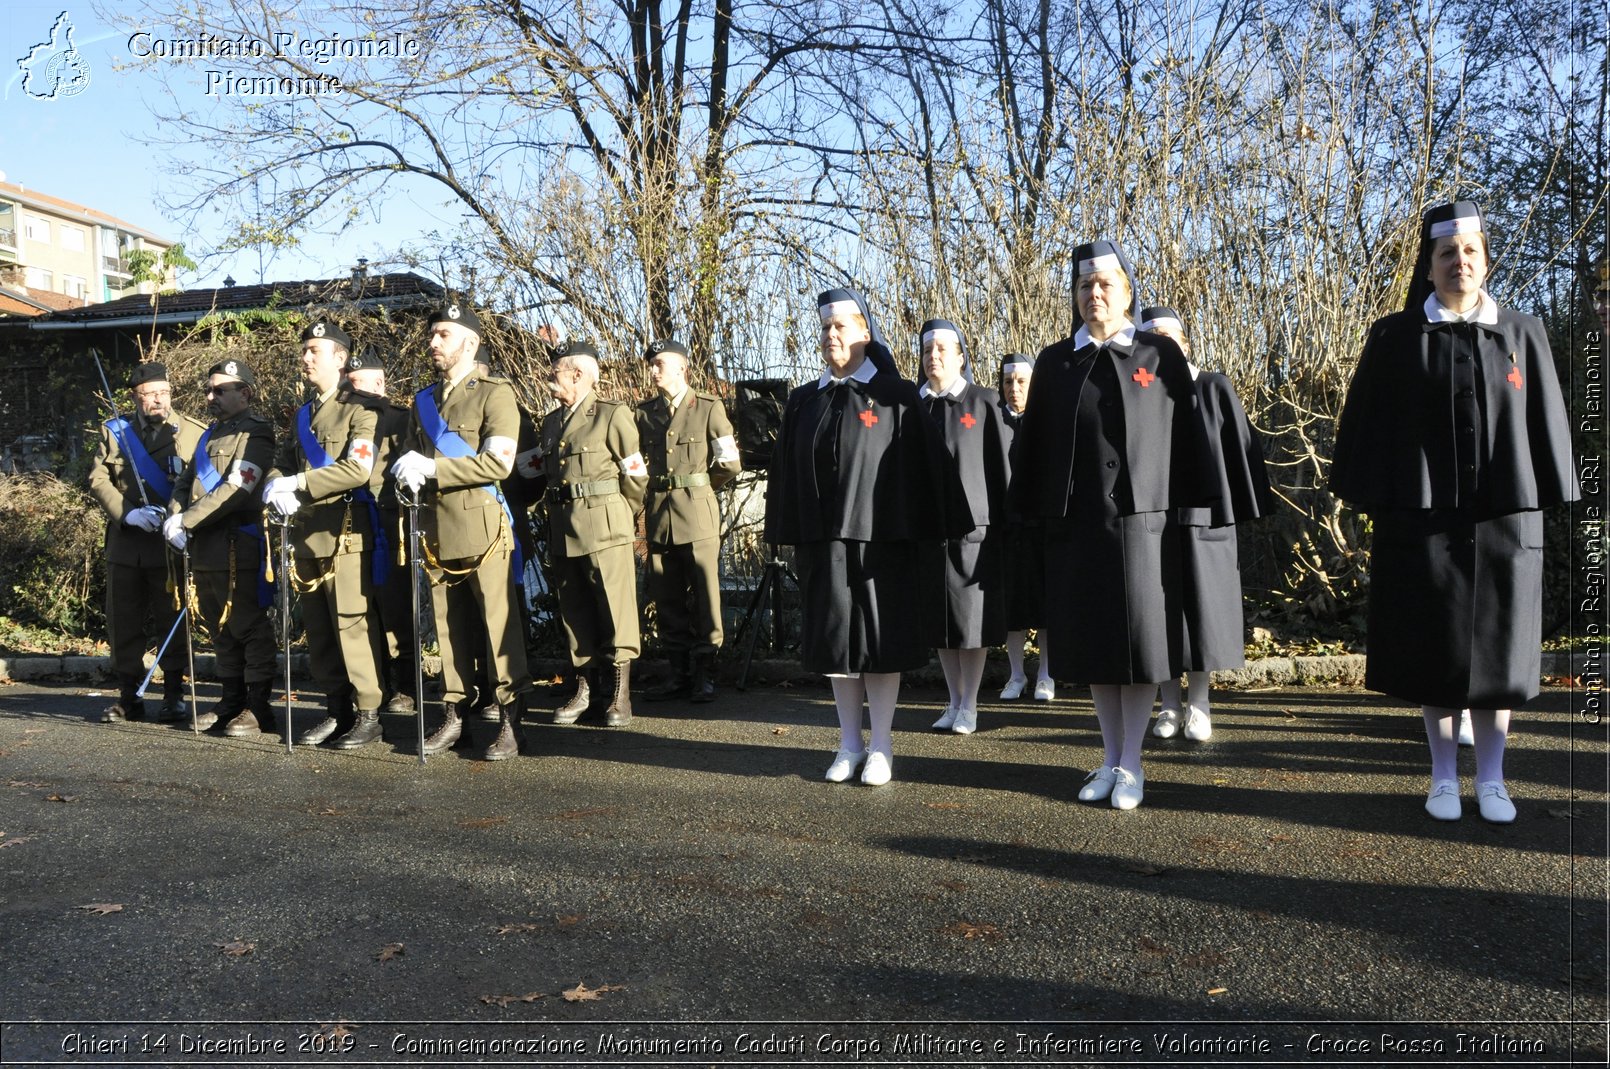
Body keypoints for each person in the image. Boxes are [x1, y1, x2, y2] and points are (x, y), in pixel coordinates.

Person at [1331, 201, 1578, 823]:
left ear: (1486, 260)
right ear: (1429, 263)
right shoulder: (1395, 336)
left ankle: (1492, 778)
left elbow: (1544, 424)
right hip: (1424, 523)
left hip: (1505, 523)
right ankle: (1443, 776)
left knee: (1499, 653)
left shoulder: (1522, 332)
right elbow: (1369, 425)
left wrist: (1549, 491)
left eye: (1470, 252)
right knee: (1435, 651)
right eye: (1447, 253)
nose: (1459, 263)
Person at [1010, 242, 1214, 809]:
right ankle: (1108, 756)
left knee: (1141, 645)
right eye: (1083, 287)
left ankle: (1133, 765)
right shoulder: (1054, 362)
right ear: (1073, 296)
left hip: (1145, 527)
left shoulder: (1158, 354)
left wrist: (1190, 507)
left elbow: (1187, 438)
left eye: (1105, 284)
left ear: (1127, 290)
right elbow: (1036, 446)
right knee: (1097, 644)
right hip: (1080, 527)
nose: (1094, 295)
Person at [764, 288, 967, 786]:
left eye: (841, 327)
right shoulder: (804, 400)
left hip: (883, 544)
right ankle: (848, 742)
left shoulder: (896, 396)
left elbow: (927, 470)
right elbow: (787, 474)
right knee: (837, 646)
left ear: (864, 333)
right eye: (825, 328)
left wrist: (931, 531)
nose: (831, 336)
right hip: (825, 543)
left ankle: (881, 745)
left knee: (879, 644)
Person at [389, 302, 533, 760]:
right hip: (434, 529)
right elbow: (411, 460)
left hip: (483, 529)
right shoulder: (423, 402)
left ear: (469, 343)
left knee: (497, 629)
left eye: (444, 335)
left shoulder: (495, 393)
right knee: (448, 629)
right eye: (433, 335)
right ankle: (455, 715)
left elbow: (498, 462)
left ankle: (511, 719)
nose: (433, 342)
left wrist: (432, 467)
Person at [1135, 307, 1272, 743]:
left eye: (1168, 335)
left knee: (1202, 614)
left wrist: (1236, 509)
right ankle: (1169, 704)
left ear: (1185, 342)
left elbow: (1239, 450)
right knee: (1160, 615)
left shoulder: (1213, 386)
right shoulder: (1138, 389)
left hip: (1206, 521)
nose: (1161, 342)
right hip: (1153, 520)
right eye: (1151, 335)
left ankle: (1199, 702)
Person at [263, 320, 388, 748]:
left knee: (352, 626)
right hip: (308, 535)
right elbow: (281, 461)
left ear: (340, 358)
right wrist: (274, 483)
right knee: (319, 630)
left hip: (346, 535)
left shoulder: (361, 408)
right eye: (305, 350)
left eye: (315, 350)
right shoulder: (303, 414)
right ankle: (337, 710)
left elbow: (357, 468)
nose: (306, 357)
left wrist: (298, 484)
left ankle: (369, 713)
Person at [86, 361, 206, 723]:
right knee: (124, 621)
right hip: (127, 545)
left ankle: (174, 694)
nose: (159, 399)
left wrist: (186, 520)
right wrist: (127, 513)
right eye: (151, 393)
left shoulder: (194, 432)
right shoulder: (114, 433)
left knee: (173, 621)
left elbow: (204, 483)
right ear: (136, 397)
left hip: (171, 546)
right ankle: (129, 696)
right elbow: (98, 479)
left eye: (164, 392)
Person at [162, 360, 277, 735]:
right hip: (205, 548)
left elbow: (237, 487)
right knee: (219, 628)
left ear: (244, 393)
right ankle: (231, 701)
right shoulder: (208, 434)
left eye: (220, 391)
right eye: (209, 390)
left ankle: (258, 706)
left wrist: (189, 519)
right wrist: (174, 517)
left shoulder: (256, 433)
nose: (211, 397)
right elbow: (185, 481)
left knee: (248, 626)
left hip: (236, 545)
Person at [538, 341, 648, 727]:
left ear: (578, 374)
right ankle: (586, 689)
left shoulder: (612, 415)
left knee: (616, 610)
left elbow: (635, 476)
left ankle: (620, 695)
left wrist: (620, 516)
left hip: (606, 529)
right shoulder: (552, 422)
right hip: (564, 529)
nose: (549, 376)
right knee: (575, 612)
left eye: (556, 371)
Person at [917, 319, 1011, 735]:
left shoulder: (983, 402)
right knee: (939, 621)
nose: (932, 357)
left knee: (971, 623)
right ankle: (953, 700)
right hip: (928, 531)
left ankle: (970, 704)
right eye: (926, 351)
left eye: (941, 349)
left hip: (975, 532)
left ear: (960, 355)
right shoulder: (914, 406)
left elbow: (1001, 468)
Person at [637, 338, 742, 703]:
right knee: (666, 596)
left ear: (682, 367)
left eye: (660, 364)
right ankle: (678, 672)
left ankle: (705, 673)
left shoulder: (709, 408)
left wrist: (699, 488)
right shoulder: (645, 412)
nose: (653, 371)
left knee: (705, 595)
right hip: (658, 515)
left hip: (697, 514)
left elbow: (729, 463)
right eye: (651, 364)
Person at [341, 353, 419, 717]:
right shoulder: (338, 418)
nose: (351, 390)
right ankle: (374, 682)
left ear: (379, 385)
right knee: (359, 609)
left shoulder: (401, 420)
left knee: (395, 607)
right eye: (348, 382)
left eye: (359, 383)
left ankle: (406, 684)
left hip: (389, 522)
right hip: (348, 521)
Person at [995, 353, 1054, 702]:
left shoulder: (1047, 422)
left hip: (1041, 526)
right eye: (1007, 382)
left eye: (1021, 382)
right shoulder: (995, 422)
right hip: (1006, 527)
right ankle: (1016, 675)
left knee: (1044, 603)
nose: (1014, 389)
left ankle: (1046, 674)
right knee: (1011, 607)